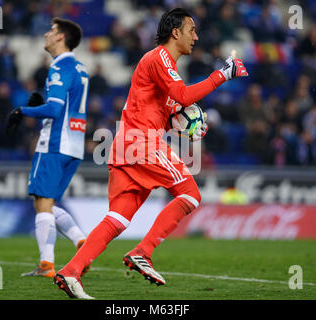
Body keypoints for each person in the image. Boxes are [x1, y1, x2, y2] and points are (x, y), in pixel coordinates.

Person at [54, 8, 248, 299]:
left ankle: (71, 271)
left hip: (126, 145)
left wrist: (187, 125)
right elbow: (182, 97)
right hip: (142, 143)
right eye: (191, 30)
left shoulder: (163, 66)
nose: (196, 36)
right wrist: (223, 74)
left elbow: (169, 110)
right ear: (175, 33)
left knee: (118, 219)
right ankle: (144, 251)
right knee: (190, 194)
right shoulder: (159, 58)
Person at [5, 18, 89, 278]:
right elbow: (64, 104)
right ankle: (81, 242)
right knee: (49, 203)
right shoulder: (81, 68)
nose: (45, 34)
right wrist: (42, 104)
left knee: (42, 204)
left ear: (61, 37)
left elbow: (54, 109)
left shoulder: (59, 67)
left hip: (54, 143)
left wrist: (23, 110)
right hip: (74, 145)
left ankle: (46, 264)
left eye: (51, 31)